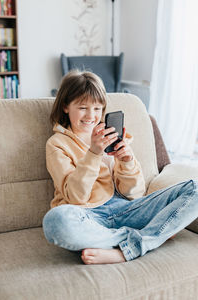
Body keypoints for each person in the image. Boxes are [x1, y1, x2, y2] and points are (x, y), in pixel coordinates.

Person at [43, 70, 198, 265]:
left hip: (127, 209)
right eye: (83, 107)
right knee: (54, 221)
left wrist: (127, 161)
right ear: (66, 106)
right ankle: (146, 237)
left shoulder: (110, 136)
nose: (91, 116)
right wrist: (94, 153)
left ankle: (126, 248)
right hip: (87, 215)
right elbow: (75, 196)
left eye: (98, 109)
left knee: (195, 188)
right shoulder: (57, 144)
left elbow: (134, 193)